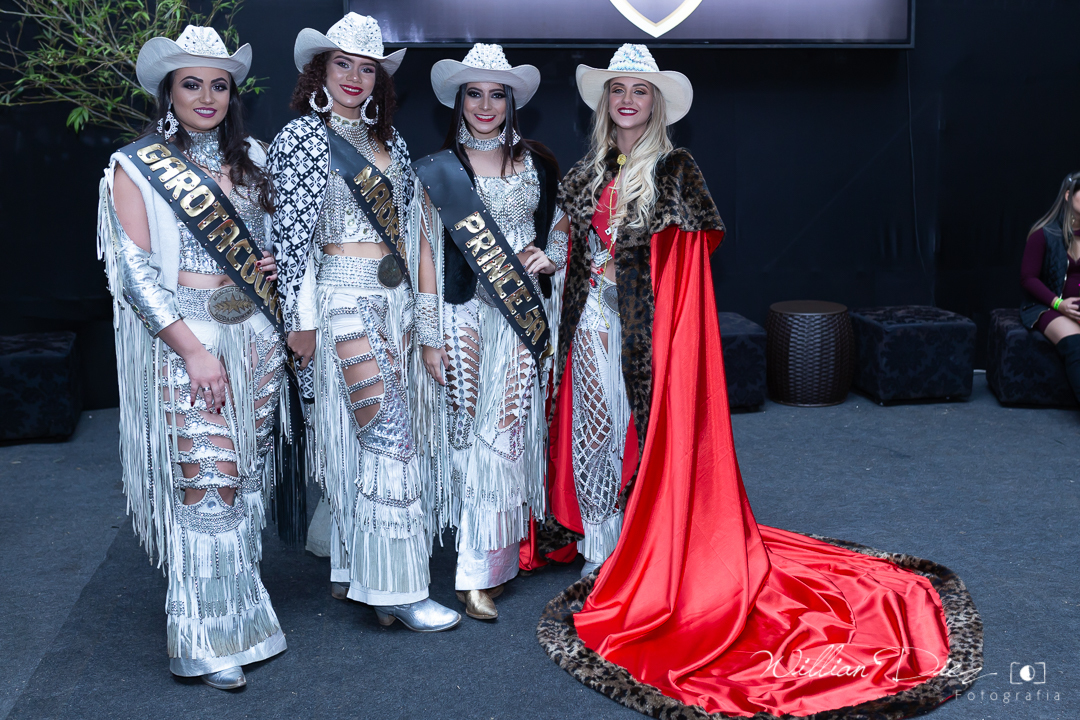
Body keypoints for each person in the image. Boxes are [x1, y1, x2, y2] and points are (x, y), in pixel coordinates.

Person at [543, 44, 980, 717]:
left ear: (656, 104)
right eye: (618, 90)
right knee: (594, 435)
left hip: (647, 340)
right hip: (590, 329)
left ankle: (639, 556)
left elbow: (683, 276)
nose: (627, 100)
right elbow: (570, 247)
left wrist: (658, 328)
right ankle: (602, 548)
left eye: (640, 90)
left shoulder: (676, 172)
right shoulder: (585, 172)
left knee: (646, 440)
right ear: (604, 101)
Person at [98, 26, 286, 689]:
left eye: (218, 85)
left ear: (232, 94)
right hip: (188, 338)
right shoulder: (135, 165)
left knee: (246, 486)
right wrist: (192, 351)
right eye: (191, 84)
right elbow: (134, 273)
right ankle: (202, 640)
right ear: (168, 92)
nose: (206, 96)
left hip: (254, 337)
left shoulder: (253, 157)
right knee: (209, 483)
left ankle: (242, 622)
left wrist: (270, 261)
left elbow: (267, 243)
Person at [269, 13, 459, 631]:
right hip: (341, 303)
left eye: (367, 68)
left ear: (380, 79)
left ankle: (359, 571)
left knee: (367, 443)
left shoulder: (392, 143)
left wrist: (420, 322)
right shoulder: (301, 139)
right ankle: (400, 590)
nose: (354, 77)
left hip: (393, 304)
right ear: (319, 71)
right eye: (342, 64)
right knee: (389, 439)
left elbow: (411, 235)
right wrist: (299, 322)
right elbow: (290, 242)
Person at [412, 44, 569, 620]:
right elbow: (424, 254)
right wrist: (428, 334)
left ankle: (480, 570)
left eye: (496, 94)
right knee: (465, 435)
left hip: (521, 317)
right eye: (473, 93)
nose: (485, 105)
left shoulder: (539, 163)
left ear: (510, 101)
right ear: (459, 101)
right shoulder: (437, 170)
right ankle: (480, 554)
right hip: (461, 315)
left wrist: (551, 256)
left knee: (503, 435)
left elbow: (559, 228)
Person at [1021, 172, 1080, 403]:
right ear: (1068, 195)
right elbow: (1028, 278)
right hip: (1048, 307)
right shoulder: (1044, 234)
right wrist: (1059, 304)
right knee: (1076, 344)